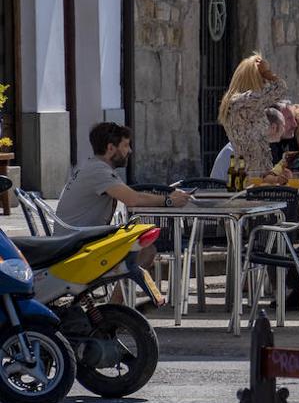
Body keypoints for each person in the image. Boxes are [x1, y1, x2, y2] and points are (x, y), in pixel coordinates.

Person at [56, 122, 190, 272]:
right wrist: (169, 200)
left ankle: (116, 290)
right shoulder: (98, 171)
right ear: (111, 148)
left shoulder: (94, 166)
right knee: (146, 251)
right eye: (125, 145)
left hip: (76, 240)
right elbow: (133, 198)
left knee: (138, 244)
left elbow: (130, 195)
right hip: (76, 246)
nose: (130, 150)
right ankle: (118, 295)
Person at [219, 53, 287, 176]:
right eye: (263, 80)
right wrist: (267, 72)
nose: (266, 84)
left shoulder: (237, 103)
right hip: (252, 175)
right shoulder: (244, 102)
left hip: (248, 171)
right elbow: (280, 90)